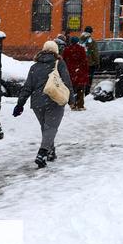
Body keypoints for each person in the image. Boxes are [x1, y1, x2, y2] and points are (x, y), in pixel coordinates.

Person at [13, 40, 74, 168]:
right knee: (51, 128)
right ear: (56, 51)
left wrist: (20, 104)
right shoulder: (59, 63)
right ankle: (42, 153)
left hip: (37, 103)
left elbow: (27, 87)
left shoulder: (34, 67)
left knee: (46, 128)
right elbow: (67, 82)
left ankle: (51, 152)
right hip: (54, 100)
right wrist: (71, 100)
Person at [62, 35, 90, 111]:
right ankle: (80, 105)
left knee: (72, 89)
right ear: (77, 41)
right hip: (80, 72)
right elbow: (84, 61)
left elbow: (63, 60)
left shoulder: (67, 50)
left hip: (70, 72)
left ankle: (73, 105)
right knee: (80, 89)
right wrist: (86, 70)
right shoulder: (81, 49)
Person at [81, 26, 99, 95]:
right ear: (91, 32)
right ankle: (87, 93)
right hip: (89, 63)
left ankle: (80, 92)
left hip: (81, 63)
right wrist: (97, 62)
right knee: (89, 79)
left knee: (81, 79)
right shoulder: (91, 41)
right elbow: (95, 53)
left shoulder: (80, 40)